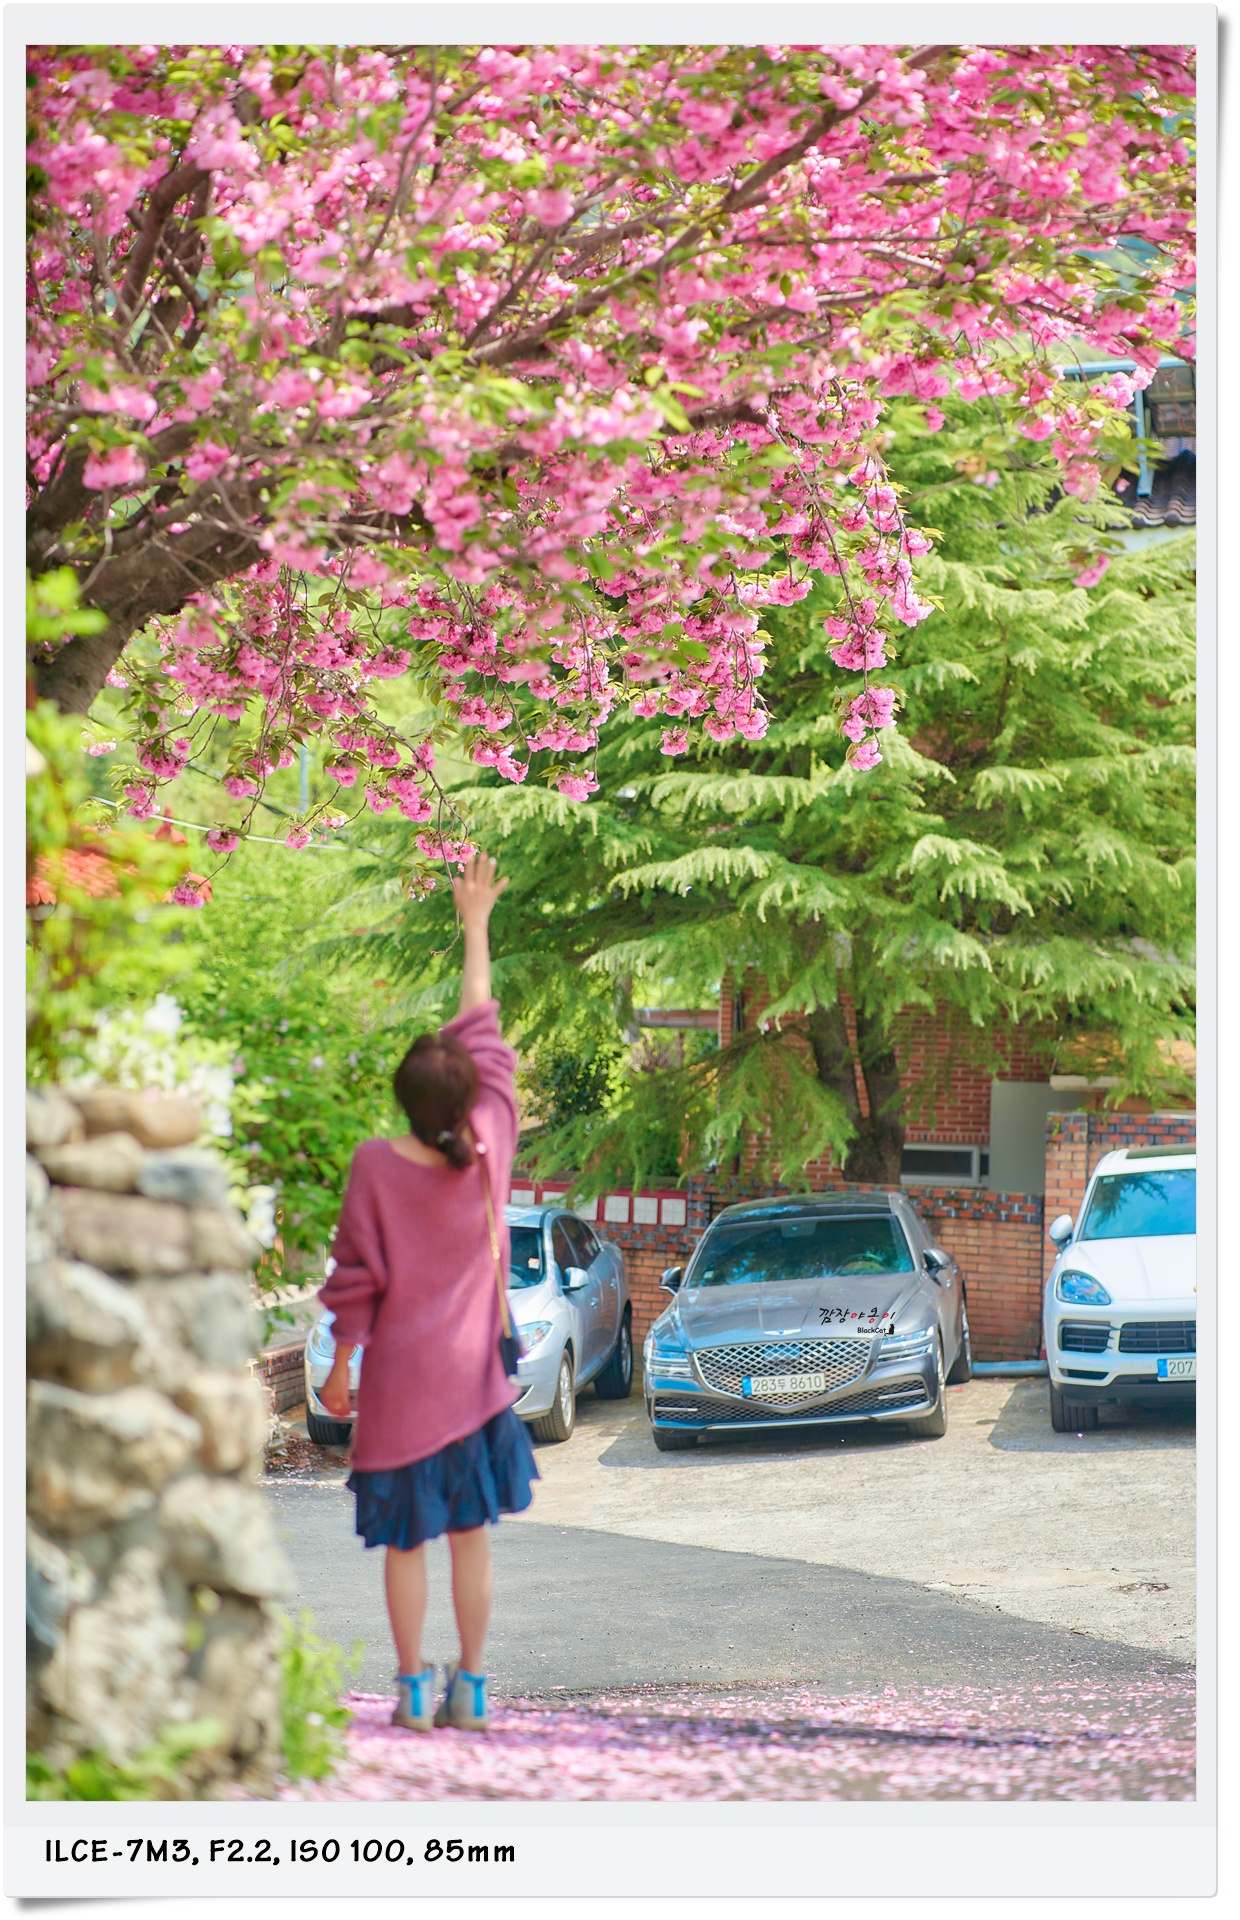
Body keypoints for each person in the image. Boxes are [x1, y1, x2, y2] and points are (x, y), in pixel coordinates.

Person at [316, 850, 538, 1734]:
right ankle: (471, 1689)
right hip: (474, 1387)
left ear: (402, 1099)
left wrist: (339, 1371)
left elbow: (355, 1281)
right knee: (470, 1538)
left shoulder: (375, 1166)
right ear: (472, 1094)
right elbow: (482, 1025)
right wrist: (475, 921)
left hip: (401, 1391)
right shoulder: (490, 1142)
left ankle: (411, 1691)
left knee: (404, 1542)